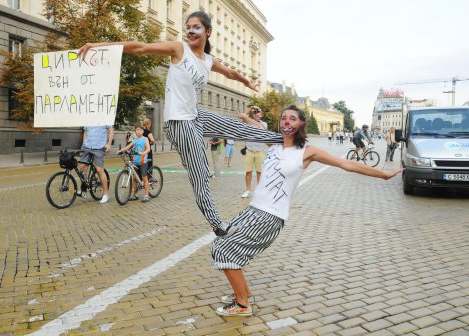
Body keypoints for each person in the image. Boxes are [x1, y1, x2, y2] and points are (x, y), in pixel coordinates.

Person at [79, 11, 283, 237]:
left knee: (235, 126)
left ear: (207, 32)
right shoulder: (179, 49)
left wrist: (247, 82)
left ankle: (283, 138)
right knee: (201, 173)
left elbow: (230, 72)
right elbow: (141, 47)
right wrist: (98, 45)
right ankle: (217, 224)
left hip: (195, 116)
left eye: (196, 27)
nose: (190, 31)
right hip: (178, 123)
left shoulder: (207, 61)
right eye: (188, 27)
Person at [211, 105, 403, 317]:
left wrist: (383, 174)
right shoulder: (274, 143)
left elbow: (345, 164)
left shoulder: (307, 152)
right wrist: (244, 117)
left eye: (293, 118)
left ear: (301, 123)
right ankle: (243, 292)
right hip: (253, 209)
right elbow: (256, 125)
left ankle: (243, 304)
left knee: (224, 249)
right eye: (283, 118)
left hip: (270, 214)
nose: (286, 121)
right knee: (225, 244)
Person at [78, 125, 114, 204]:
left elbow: (111, 130)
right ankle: (83, 190)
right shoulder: (89, 118)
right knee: (82, 168)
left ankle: (106, 194)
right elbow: (86, 132)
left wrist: (109, 144)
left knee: (99, 170)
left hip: (99, 147)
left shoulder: (104, 117)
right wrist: (84, 144)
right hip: (87, 147)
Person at [116, 126, 151, 202]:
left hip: (143, 161)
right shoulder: (134, 140)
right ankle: (135, 194)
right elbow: (127, 147)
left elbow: (148, 149)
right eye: (137, 130)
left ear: (143, 131)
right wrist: (120, 151)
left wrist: (143, 153)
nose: (138, 131)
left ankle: (147, 195)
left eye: (140, 130)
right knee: (134, 178)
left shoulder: (145, 139)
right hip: (135, 161)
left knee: (144, 178)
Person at [241, 106, 267, 198]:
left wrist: (258, 121)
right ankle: (247, 190)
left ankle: (259, 191)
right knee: (248, 171)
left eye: (258, 112)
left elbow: (265, 131)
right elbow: (243, 116)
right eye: (255, 113)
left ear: (261, 115)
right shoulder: (249, 122)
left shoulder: (264, 124)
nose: (257, 114)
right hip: (250, 150)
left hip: (260, 151)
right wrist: (251, 107)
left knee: (259, 172)